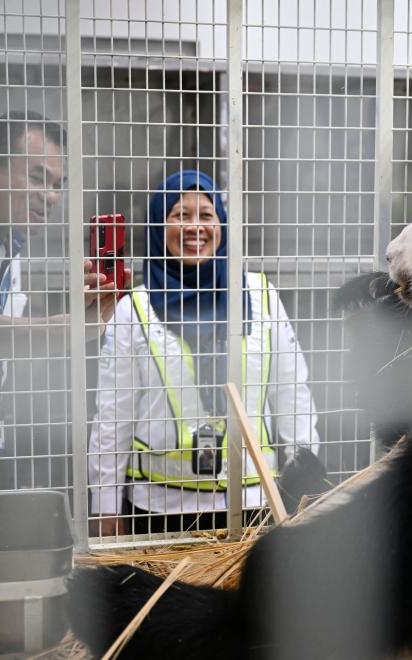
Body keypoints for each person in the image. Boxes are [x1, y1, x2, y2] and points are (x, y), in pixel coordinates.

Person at [87, 170, 321, 536]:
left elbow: (293, 397)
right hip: (159, 510)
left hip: (253, 505)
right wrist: (105, 509)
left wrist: (305, 491)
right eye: (180, 215)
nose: (195, 227)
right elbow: (112, 419)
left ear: (222, 225)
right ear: (158, 227)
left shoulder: (262, 298)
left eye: (206, 215)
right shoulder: (135, 309)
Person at [0, 111, 129, 494]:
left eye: (57, 184)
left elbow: (14, 342)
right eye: (37, 177)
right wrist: (74, 325)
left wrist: (76, 310)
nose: (50, 196)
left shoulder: (6, 243)